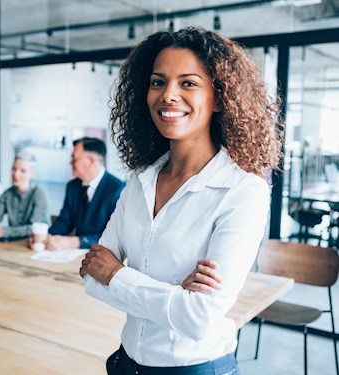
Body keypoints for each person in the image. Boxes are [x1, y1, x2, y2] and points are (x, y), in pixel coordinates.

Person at [79, 27, 283, 374]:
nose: (168, 95)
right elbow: (91, 278)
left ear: (220, 97)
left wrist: (119, 274)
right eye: (158, 82)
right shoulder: (140, 180)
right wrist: (174, 295)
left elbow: (200, 319)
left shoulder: (242, 191)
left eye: (187, 83)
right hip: (126, 363)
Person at [43, 137, 125, 250]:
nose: (70, 162)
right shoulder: (72, 186)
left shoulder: (118, 190)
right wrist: (47, 237)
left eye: (74, 158)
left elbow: (114, 237)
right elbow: (64, 222)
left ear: (91, 161)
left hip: (103, 256)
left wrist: (75, 241)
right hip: (75, 256)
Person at [0, 150, 48, 239]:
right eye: (14, 169)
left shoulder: (38, 193)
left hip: (36, 244)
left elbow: (34, 228)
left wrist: (3, 231)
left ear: (32, 173)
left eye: (22, 171)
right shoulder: (7, 194)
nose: (16, 174)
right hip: (14, 244)